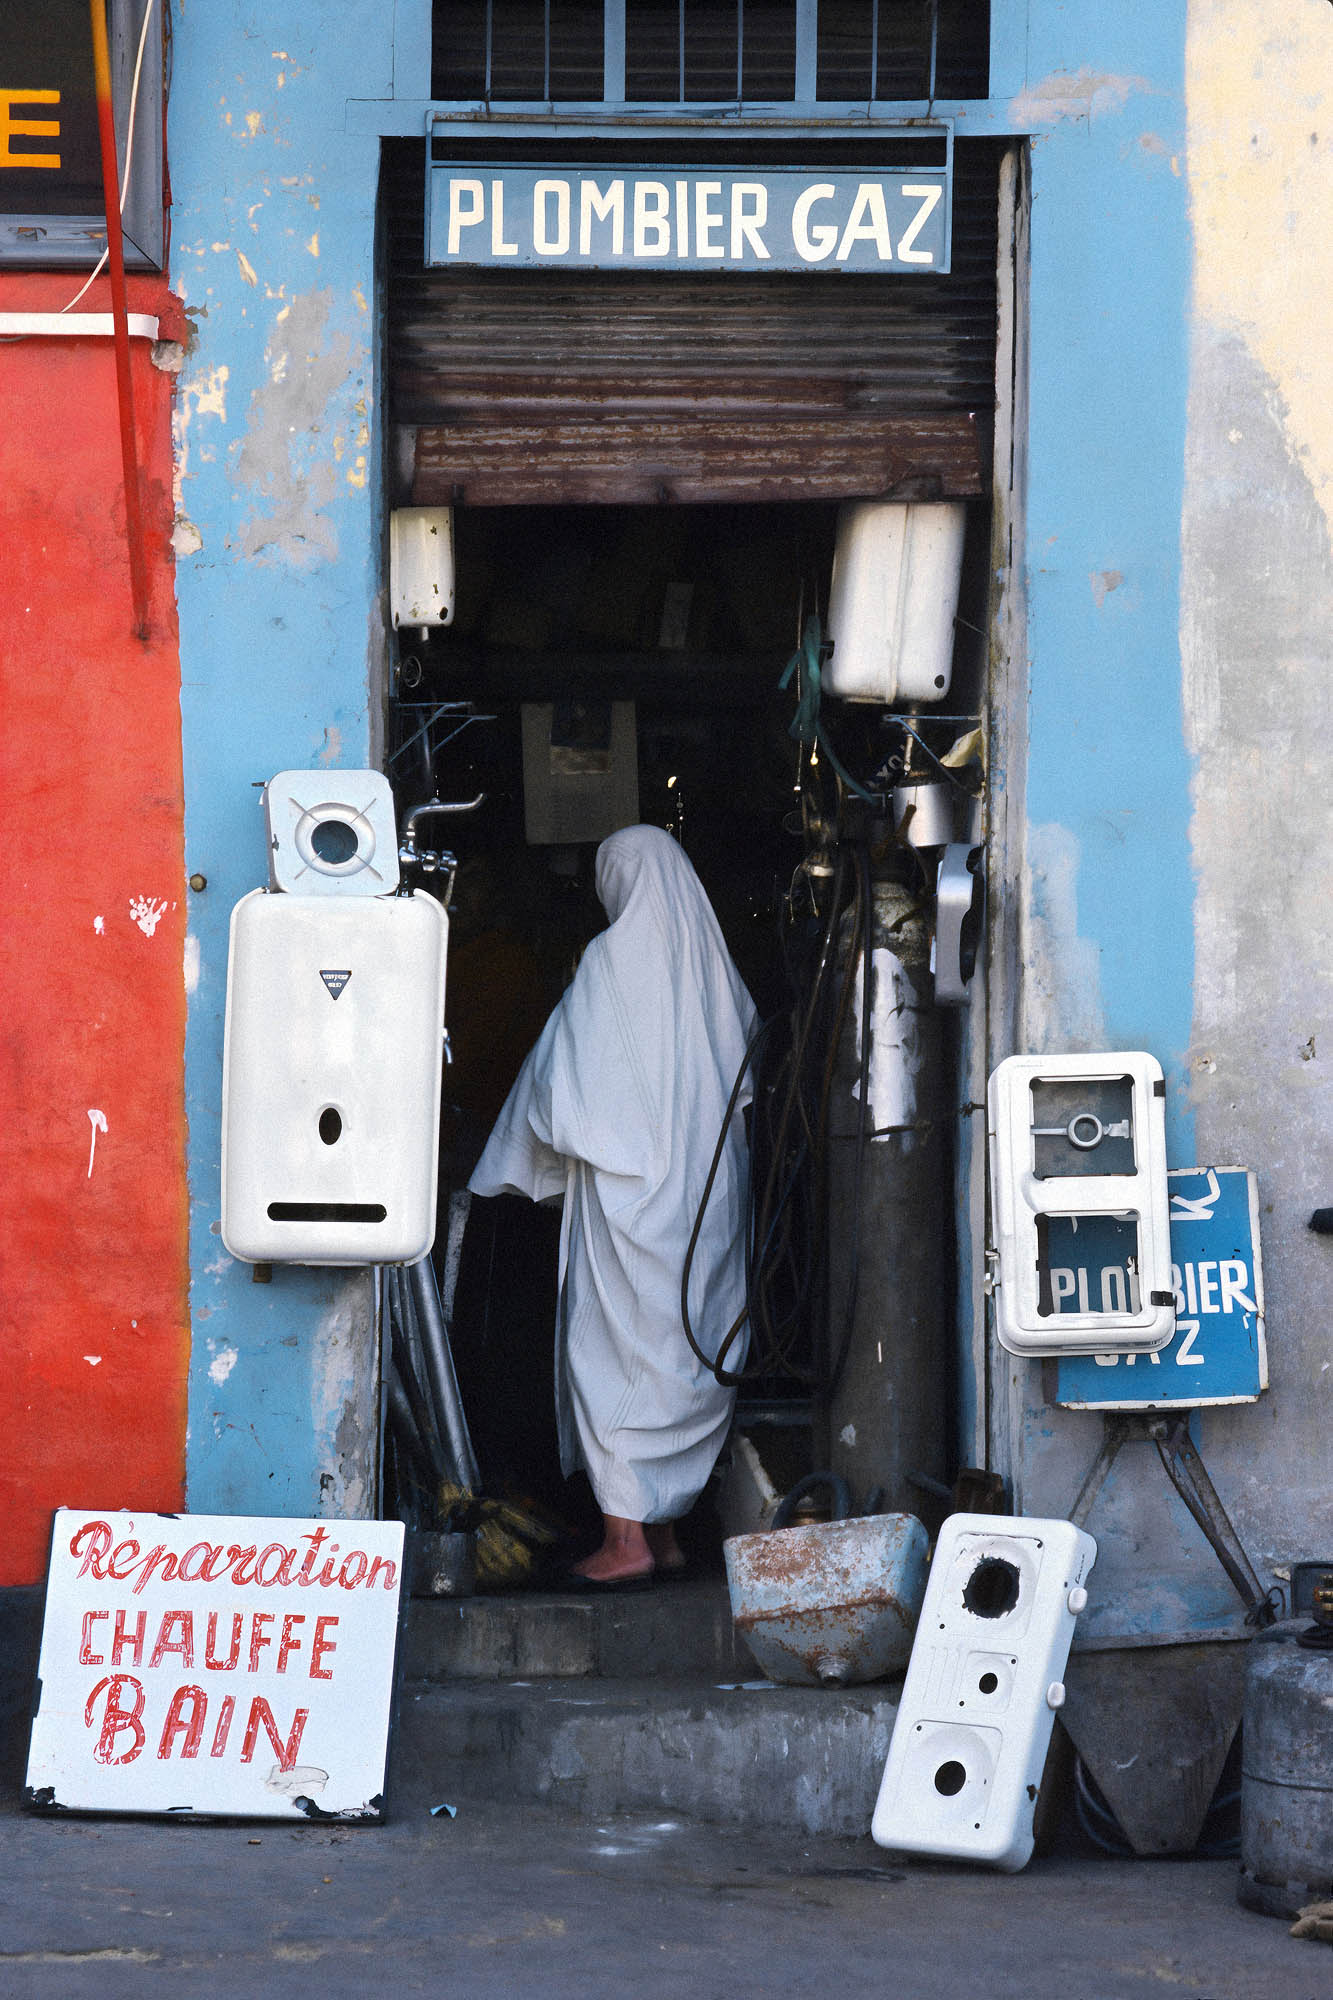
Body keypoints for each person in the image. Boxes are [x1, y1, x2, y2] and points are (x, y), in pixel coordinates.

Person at [468, 824, 757, 1587]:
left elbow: (565, 1087)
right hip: (708, 1202)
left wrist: (524, 1148)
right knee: (683, 1353)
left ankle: (624, 1540)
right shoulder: (716, 972)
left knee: (617, 1354)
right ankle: (662, 1536)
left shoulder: (607, 962)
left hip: (631, 1201)